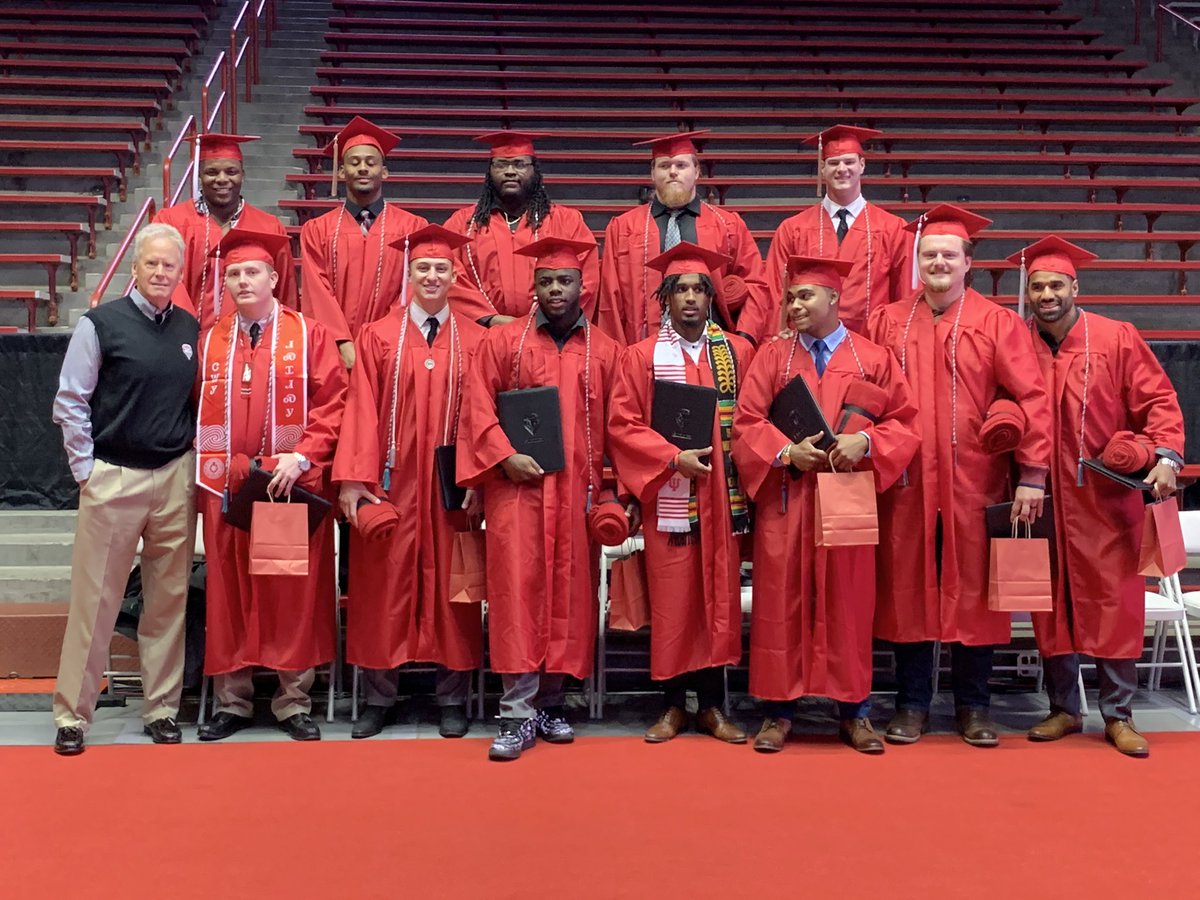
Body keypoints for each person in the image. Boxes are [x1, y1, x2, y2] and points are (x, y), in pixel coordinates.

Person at [866, 204, 1052, 747]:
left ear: (968, 263)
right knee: (909, 591)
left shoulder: (997, 322)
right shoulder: (887, 321)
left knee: (975, 593)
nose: (938, 262)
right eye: (929, 255)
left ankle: (974, 705)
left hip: (977, 480)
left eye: (949, 254)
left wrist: (1033, 474)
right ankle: (912, 704)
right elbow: (868, 394)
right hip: (906, 482)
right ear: (916, 263)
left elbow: (1031, 398)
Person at [732, 255, 920, 754]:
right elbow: (746, 422)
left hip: (848, 496)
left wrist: (871, 443)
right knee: (780, 602)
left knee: (849, 603)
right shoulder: (772, 356)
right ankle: (777, 711)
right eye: (790, 297)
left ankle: (855, 712)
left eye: (804, 296)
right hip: (790, 498)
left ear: (835, 299)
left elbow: (906, 422)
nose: (793, 304)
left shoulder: (871, 358)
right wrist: (785, 451)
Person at [1013, 235, 1186, 758]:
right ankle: (1064, 709)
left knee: (1114, 604)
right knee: (1051, 604)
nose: (1047, 294)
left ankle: (1119, 714)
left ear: (1075, 286)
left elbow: (1158, 400)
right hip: (1040, 498)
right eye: (1038, 285)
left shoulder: (1115, 337)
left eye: (1056, 285)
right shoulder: (1015, 342)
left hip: (1104, 501)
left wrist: (1165, 456)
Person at [457, 236, 627, 761]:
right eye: (546, 281)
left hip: (576, 495)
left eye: (565, 281)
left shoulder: (605, 349)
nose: (555, 289)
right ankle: (514, 712)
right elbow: (477, 409)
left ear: (583, 285)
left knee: (569, 599)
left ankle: (550, 704)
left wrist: (616, 492)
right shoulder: (502, 344)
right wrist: (504, 457)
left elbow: (620, 427)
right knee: (516, 595)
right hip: (518, 494)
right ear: (533, 287)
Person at [50, 222, 198, 755]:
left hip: (175, 477)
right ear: (134, 267)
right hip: (112, 476)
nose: (161, 273)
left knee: (167, 602)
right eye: (152, 264)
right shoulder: (101, 324)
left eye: (171, 266)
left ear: (182, 273)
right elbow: (70, 402)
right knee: (96, 602)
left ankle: (160, 708)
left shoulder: (189, 328)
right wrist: (86, 472)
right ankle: (73, 714)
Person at [334, 224, 486, 739]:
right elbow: (359, 409)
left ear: (454, 273)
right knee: (384, 585)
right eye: (422, 267)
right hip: (391, 484)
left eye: (441, 268)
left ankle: (452, 697)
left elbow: (485, 416)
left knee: (455, 588)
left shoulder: (477, 338)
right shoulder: (377, 335)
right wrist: (355, 480)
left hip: (451, 487)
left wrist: (478, 476)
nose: (432, 276)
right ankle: (379, 697)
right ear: (409, 272)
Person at [194, 230, 347, 742]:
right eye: (234, 273)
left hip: (286, 482)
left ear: (275, 278)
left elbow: (333, 404)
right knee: (230, 590)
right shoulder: (211, 338)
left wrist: (301, 456)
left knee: (289, 592)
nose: (242, 280)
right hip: (227, 486)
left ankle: (292, 701)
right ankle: (232, 702)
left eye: (252, 272)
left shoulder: (310, 334)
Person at [607, 242, 755, 744]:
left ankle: (712, 707)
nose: (690, 298)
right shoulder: (642, 356)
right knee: (672, 603)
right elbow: (623, 424)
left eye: (698, 289)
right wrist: (673, 458)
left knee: (718, 601)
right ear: (665, 298)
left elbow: (754, 421)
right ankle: (672, 705)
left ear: (711, 297)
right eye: (680, 290)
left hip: (723, 501)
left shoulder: (737, 350)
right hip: (669, 498)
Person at [299, 116, 489, 369]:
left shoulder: (412, 228)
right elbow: (316, 291)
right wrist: (342, 343)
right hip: (335, 355)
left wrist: (383, 338)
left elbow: (415, 288)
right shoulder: (316, 230)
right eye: (354, 163)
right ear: (341, 171)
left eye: (371, 162)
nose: (363, 168)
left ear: (385, 172)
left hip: (394, 347)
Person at [595, 130, 770, 347]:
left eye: (681, 165)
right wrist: (621, 357)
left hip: (712, 351)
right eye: (664, 166)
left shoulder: (728, 225)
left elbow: (755, 284)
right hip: (644, 350)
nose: (673, 172)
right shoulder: (624, 228)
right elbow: (610, 301)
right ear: (652, 173)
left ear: (697, 171)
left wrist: (743, 340)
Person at [759, 125, 910, 339]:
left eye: (849, 162)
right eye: (833, 163)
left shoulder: (893, 228)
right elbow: (776, 291)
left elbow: (903, 294)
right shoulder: (793, 228)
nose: (841, 169)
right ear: (822, 168)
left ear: (862, 165)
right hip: (807, 345)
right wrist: (774, 339)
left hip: (873, 345)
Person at [444, 131, 600, 324]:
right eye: (501, 164)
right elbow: (448, 278)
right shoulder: (462, 224)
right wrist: (491, 320)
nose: (510, 171)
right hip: (480, 338)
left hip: (548, 338)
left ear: (534, 170)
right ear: (489, 171)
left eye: (519, 164)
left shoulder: (567, 221)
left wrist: (546, 323)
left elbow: (587, 280)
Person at [155, 132, 297, 330]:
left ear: (242, 175)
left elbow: (284, 291)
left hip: (249, 343)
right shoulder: (170, 222)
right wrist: (184, 331)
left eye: (231, 172)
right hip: (180, 338)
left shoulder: (269, 226)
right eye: (212, 172)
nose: (222, 179)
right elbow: (161, 282)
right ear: (199, 177)